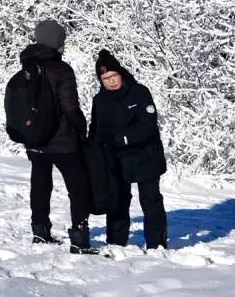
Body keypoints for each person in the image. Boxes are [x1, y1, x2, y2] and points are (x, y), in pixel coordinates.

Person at [19, 19, 96, 254]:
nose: (65, 45)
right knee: (78, 186)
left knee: (40, 184)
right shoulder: (62, 70)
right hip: (63, 140)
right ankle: (80, 239)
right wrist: (82, 130)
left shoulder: (26, 68)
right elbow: (70, 106)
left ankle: (40, 232)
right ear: (56, 43)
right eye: (62, 41)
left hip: (35, 139)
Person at [89, 50, 169, 249]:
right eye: (106, 78)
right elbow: (96, 128)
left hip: (145, 155)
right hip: (116, 158)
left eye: (113, 76)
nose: (111, 81)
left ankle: (156, 244)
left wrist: (124, 138)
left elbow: (149, 124)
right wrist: (93, 149)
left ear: (121, 74)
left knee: (150, 200)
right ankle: (116, 241)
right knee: (116, 200)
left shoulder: (139, 92)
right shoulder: (99, 100)